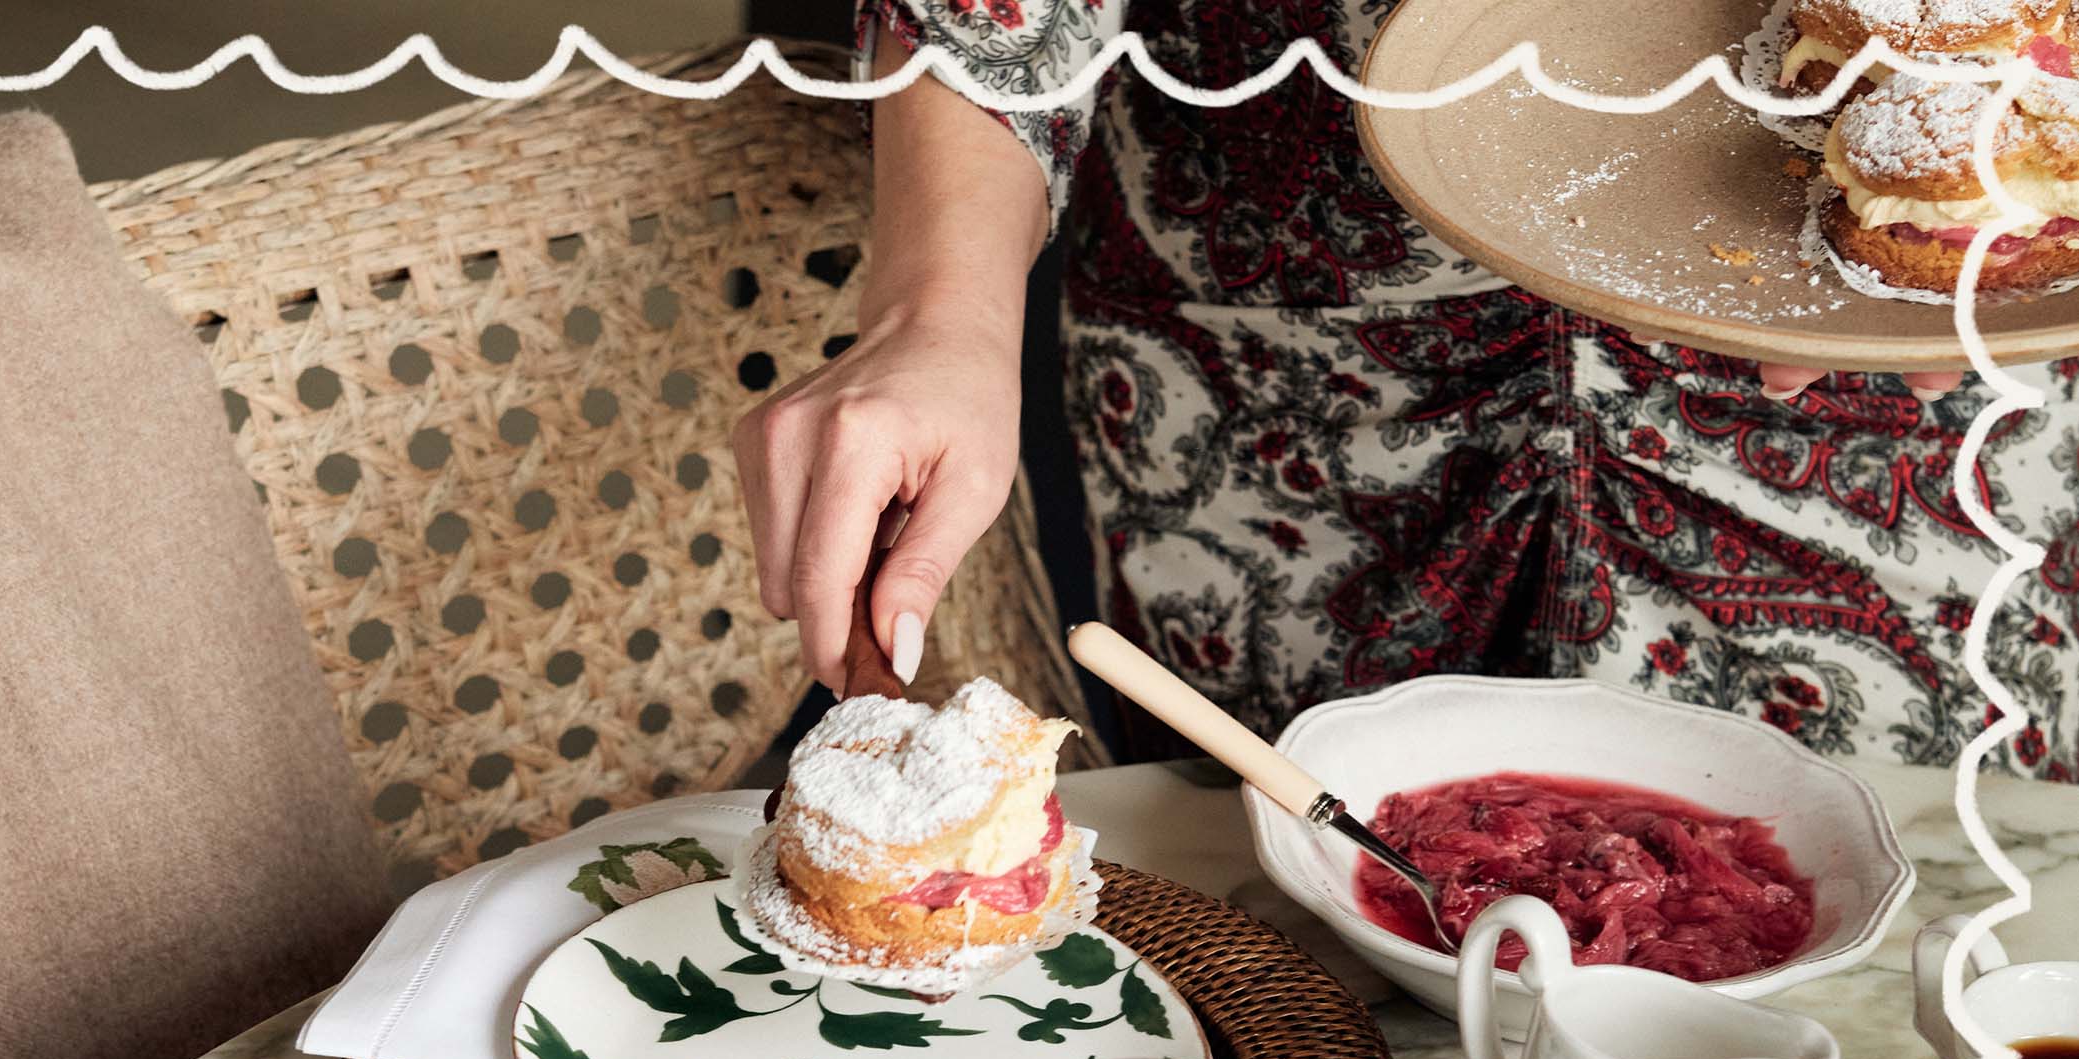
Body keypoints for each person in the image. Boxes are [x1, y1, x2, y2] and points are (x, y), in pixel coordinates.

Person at [731, 1, 2078, 778]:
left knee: (1904, 979)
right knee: (1312, 987)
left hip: (1899, 359)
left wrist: (1990, 114)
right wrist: (939, 312)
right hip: (1290, 391)